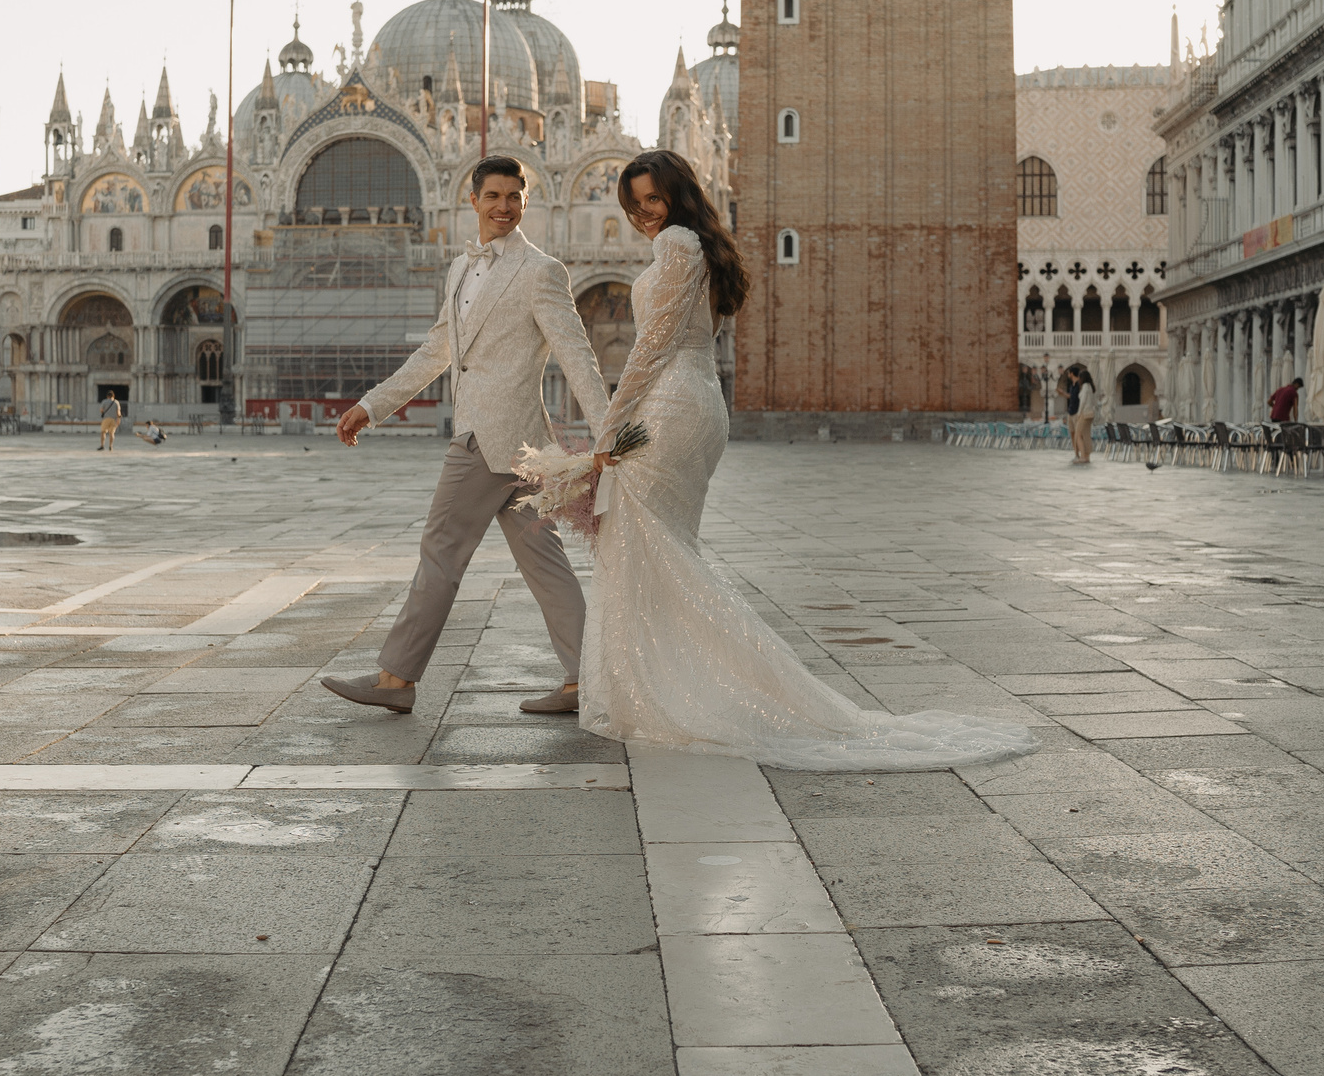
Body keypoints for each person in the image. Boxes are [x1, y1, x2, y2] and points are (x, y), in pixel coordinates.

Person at [578, 151, 1037, 769]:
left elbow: (651, 348)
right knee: (661, 549)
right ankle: (668, 681)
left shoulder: (678, 247)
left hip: (667, 408)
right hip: (696, 404)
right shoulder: (697, 245)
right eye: (633, 205)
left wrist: (606, 432)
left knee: (643, 546)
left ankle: (678, 689)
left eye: (652, 200)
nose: (642, 215)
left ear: (680, 196)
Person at [323, 154, 610, 718]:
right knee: (544, 562)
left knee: (440, 552)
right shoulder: (459, 270)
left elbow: (577, 356)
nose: (504, 207)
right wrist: (372, 405)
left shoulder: (541, 270)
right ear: (473, 200)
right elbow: (437, 352)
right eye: (494, 196)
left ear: (526, 201)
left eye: (514, 197)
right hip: (524, 448)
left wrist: (607, 434)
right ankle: (588, 678)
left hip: (488, 440)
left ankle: (396, 677)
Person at [1062, 366, 1096, 464]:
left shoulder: (1085, 386)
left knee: (1077, 434)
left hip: (1084, 414)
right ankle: (1087, 456)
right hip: (1090, 413)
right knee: (1086, 435)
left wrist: (1079, 413)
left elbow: (1083, 401)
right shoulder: (1090, 386)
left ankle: (1082, 457)